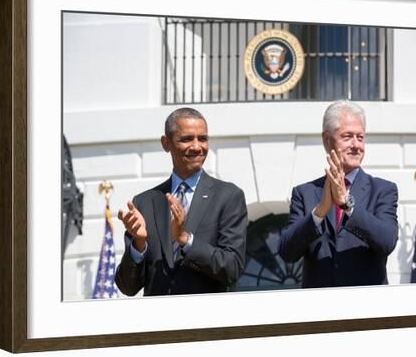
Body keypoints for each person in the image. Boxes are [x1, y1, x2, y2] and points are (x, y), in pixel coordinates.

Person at [115, 107, 248, 296]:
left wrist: (186, 240)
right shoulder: (145, 202)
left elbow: (232, 268)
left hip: (207, 321)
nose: (196, 147)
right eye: (186, 139)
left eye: (202, 138)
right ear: (166, 143)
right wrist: (139, 244)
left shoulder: (228, 196)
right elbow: (127, 287)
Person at [279, 100, 399, 287]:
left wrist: (346, 204)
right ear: (327, 140)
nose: (356, 145)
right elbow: (287, 252)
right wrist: (319, 212)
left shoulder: (383, 190)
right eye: (347, 136)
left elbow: (387, 242)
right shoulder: (304, 193)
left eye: (360, 137)